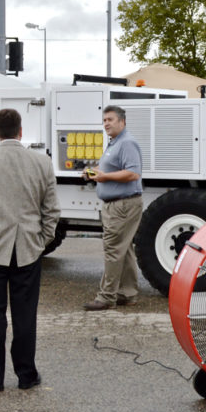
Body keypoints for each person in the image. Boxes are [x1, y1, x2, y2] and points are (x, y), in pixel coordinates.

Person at [0, 108, 59, 391]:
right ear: (20, 131)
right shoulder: (42, 163)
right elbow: (51, 210)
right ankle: (26, 375)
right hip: (28, 247)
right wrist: (41, 240)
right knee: (25, 315)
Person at [82, 105, 144, 311]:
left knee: (113, 249)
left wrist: (104, 176)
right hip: (116, 204)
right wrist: (93, 171)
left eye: (110, 119)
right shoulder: (115, 143)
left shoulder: (127, 143)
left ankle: (107, 297)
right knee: (123, 250)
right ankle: (128, 294)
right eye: (104, 120)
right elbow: (111, 168)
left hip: (122, 205)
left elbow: (133, 173)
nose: (106, 123)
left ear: (122, 122)